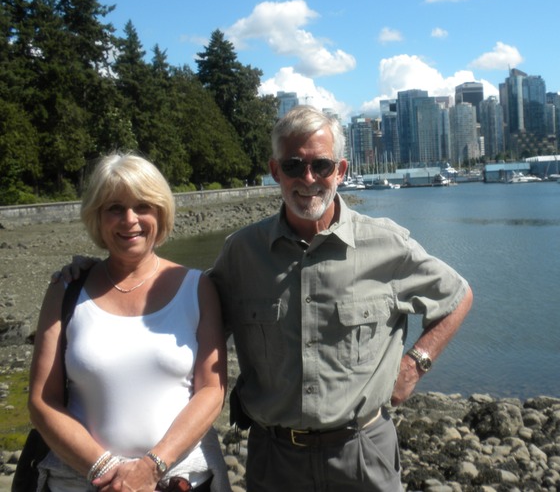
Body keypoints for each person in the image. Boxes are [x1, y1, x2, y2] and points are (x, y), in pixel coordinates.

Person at [208, 105, 473, 491]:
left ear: (342, 171)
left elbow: (457, 296)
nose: (309, 179)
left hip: (363, 453)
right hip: (274, 459)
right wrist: (96, 276)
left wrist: (415, 364)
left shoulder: (387, 244)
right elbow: (189, 314)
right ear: (275, 170)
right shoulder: (241, 253)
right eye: (295, 165)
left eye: (323, 166)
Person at [30, 153, 230, 491]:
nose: (129, 220)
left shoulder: (197, 288)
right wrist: (106, 469)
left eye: (143, 206)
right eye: (114, 208)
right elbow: (41, 401)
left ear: (161, 212)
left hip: (181, 480)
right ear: (97, 216)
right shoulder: (66, 290)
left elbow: (211, 390)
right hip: (81, 482)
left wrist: (151, 467)